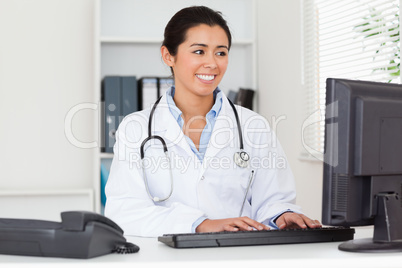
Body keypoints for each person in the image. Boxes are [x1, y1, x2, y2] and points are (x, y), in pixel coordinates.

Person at [105, 5, 321, 237]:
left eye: (221, 52)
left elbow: (272, 199)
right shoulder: (135, 128)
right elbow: (124, 212)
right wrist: (199, 223)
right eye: (199, 51)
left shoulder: (253, 126)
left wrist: (282, 215)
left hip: (236, 255)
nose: (212, 63)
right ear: (168, 55)